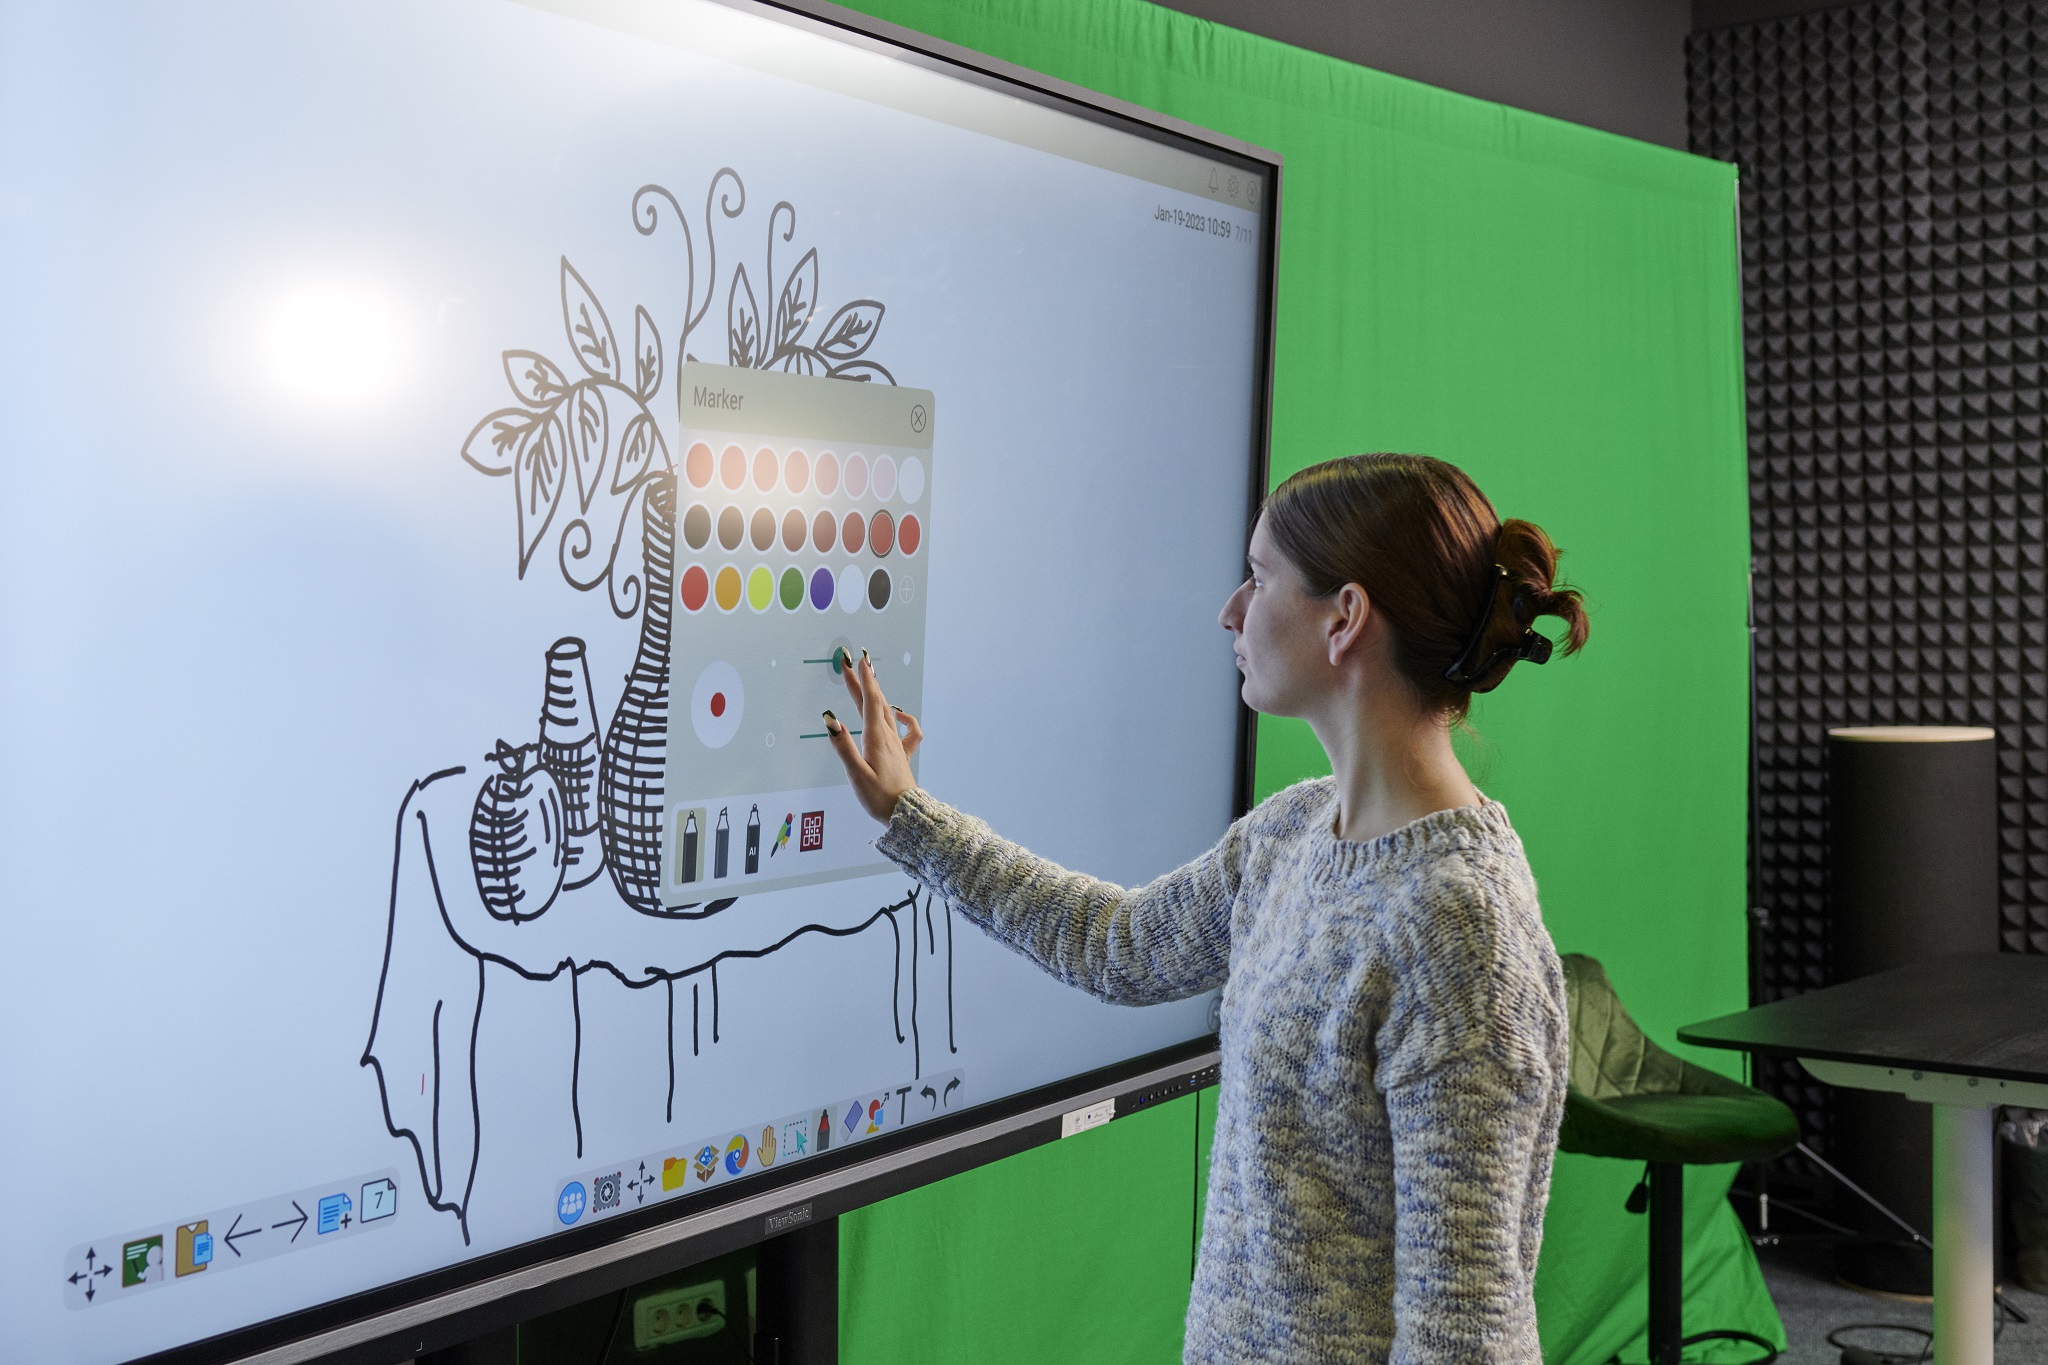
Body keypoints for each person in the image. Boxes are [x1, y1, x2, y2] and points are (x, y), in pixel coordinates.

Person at [822, 453, 1589, 1365]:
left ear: (1345, 617)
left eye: (1259, 578)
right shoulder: (1294, 833)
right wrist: (910, 813)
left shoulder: (1460, 931)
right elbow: (1115, 945)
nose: (1231, 610)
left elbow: (1466, 1336)